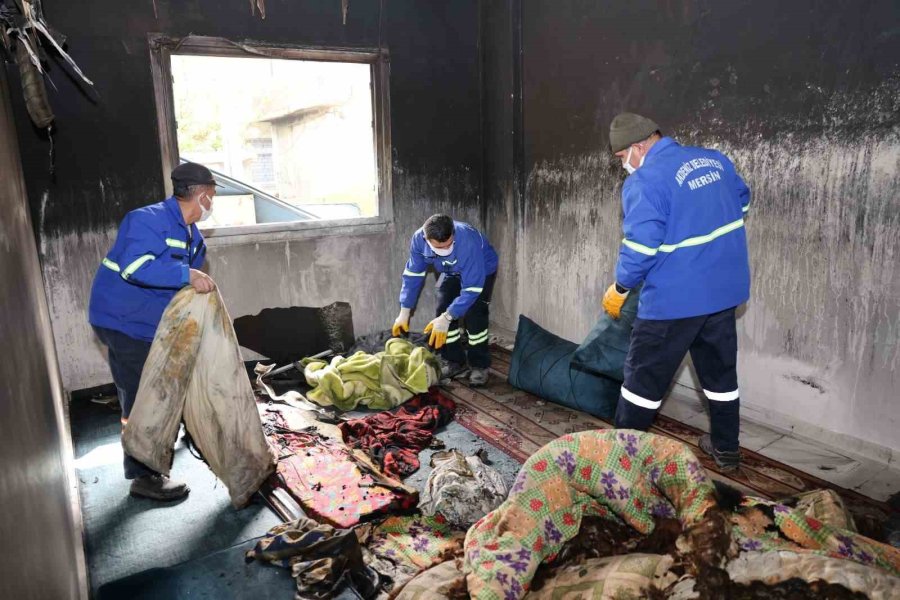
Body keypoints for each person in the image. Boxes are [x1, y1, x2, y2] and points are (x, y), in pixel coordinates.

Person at [602, 112, 751, 471]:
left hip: (674, 301)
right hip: (722, 292)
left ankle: (622, 464)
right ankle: (726, 448)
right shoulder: (714, 160)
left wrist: (621, 287)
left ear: (638, 147)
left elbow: (641, 248)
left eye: (623, 158)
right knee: (720, 376)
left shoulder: (645, 181)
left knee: (641, 381)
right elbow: (742, 202)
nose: (625, 166)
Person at [88, 162, 219, 500]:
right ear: (202, 195)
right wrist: (187, 275)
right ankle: (143, 475)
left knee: (169, 382)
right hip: (122, 320)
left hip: (150, 322)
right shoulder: (146, 220)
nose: (212, 202)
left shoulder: (192, 235)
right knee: (141, 393)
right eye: (213, 195)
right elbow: (134, 268)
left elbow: (185, 278)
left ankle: (165, 439)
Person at [392, 214, 499, 387]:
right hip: (450, 271)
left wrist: (448, 317)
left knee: (475, 314)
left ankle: (479, 365)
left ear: (453, 233)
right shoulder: (419, 240)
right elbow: (413, 274)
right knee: (442, 306)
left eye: (449, 244)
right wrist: (404, 312)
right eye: (439, 247)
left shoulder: (467, 241)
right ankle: (454, 360)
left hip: (481, 270)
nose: (445, 249)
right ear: (427, 239)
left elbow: (472, 289)